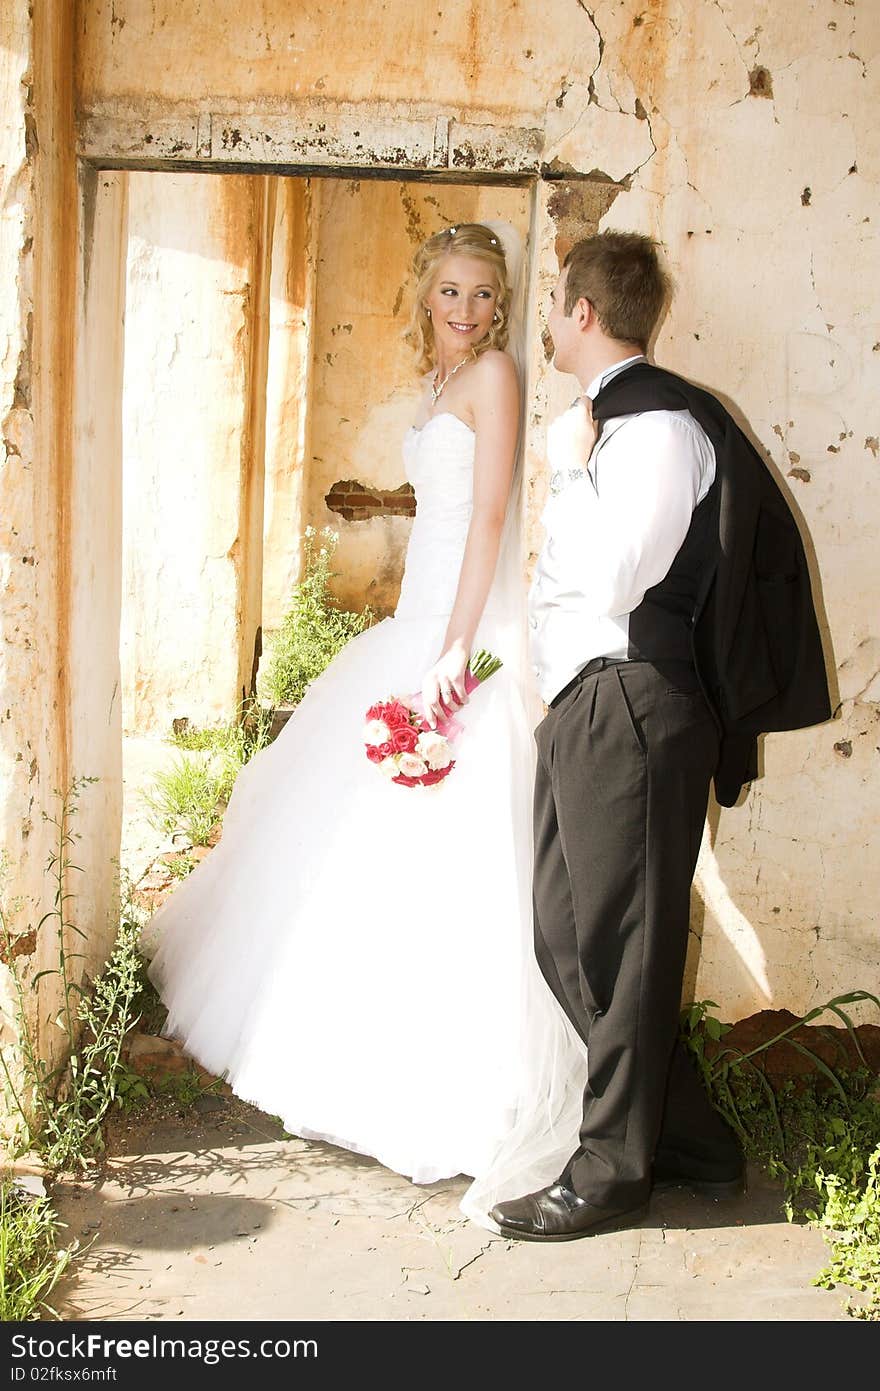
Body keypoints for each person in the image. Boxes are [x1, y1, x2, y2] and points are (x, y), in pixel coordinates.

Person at [147, 222, 587, 1218]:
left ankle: (446, 1087)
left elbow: (485, 521)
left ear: (500, 303)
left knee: (450, 849)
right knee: (342, 834)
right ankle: (335, 1042)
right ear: (424, 295)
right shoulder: (438, 388)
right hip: (411, 623)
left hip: (455, 633)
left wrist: (455, 658)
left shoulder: (495, 380)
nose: (468, 311)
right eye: (452, 293)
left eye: (484, 295)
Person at [491, 230, 831, 1241]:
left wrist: (568, 467)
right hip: (589, 707)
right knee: (570, 940)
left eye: (553, 304)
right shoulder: (615, 424)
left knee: (623, 947)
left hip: (637, 703)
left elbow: (611, 578)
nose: (547, 323)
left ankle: (609, 1171)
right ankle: (686, 1134)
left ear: (581, 311)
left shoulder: (654, 426)